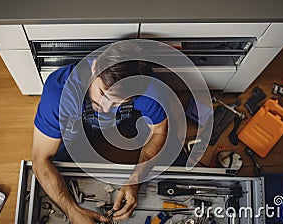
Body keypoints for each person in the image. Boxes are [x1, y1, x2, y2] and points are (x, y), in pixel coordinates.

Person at [31, 42, 187, 224]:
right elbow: (40, 160)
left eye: (117, 102)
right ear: (95, 67)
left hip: (124, 123)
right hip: (76, 125)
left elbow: (159, 131)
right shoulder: (59, 92)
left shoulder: (150, 89)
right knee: (59, 161)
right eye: (102, 93)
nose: (105, 108)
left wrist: (135, 180)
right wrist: (71, 211)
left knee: (171, 147)